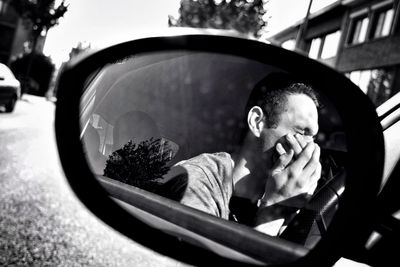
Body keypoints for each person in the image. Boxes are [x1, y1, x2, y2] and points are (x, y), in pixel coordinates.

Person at [169, 72, 322, 236]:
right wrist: (273, 213)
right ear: (257, 123)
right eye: (301, 132)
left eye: (312, 137)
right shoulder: (197, 179)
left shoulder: (268, 195)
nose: (310, 148)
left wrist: (289, 216)